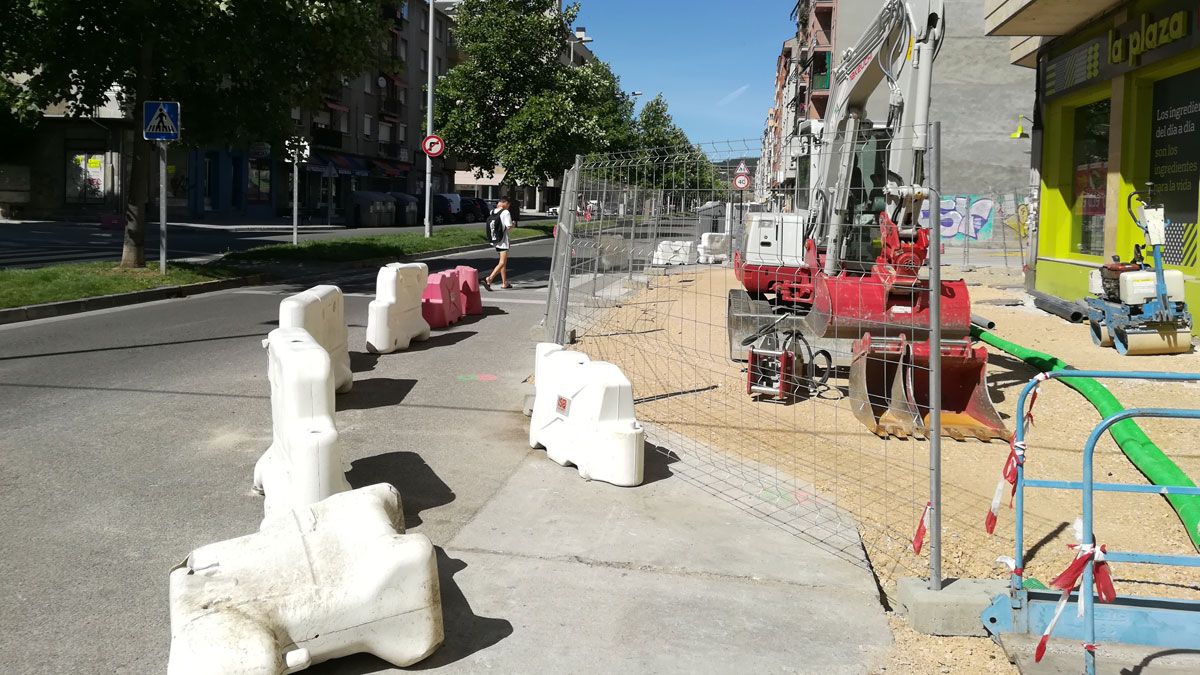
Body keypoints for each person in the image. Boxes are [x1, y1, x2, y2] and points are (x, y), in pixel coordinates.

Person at [483, 196, 515, 290]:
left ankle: (504, 283)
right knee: (502, 262)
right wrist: (513, 224)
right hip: (503, 241)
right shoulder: (506, 212)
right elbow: (509, 226)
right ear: (505, 203)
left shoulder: (492, 212)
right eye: (508, 205)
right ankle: (489, 278)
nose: (508, 207)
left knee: (503, 263)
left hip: (495, 239)